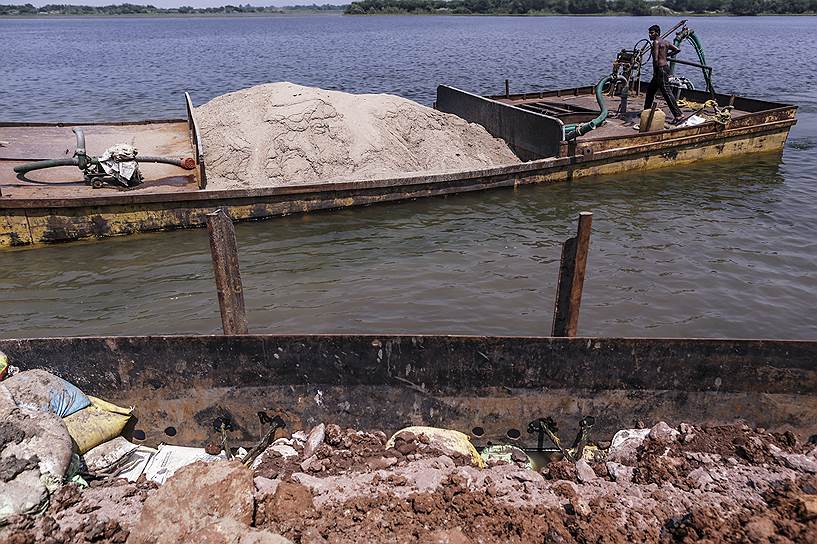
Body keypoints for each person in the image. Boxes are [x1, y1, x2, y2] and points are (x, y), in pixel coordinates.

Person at [644, 24, 683, 125]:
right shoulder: (665, 42)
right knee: (650, 91)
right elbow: (677, 50)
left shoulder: (656, 42)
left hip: (659, 69)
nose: (649, 35)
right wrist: (666, 56)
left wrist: (655, 71)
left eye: (651, 33)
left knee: (666, 92)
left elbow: (656, 59)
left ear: (656, 33)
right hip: (665, 68)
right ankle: (646, 112)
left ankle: (678, 115)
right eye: (649, 33)